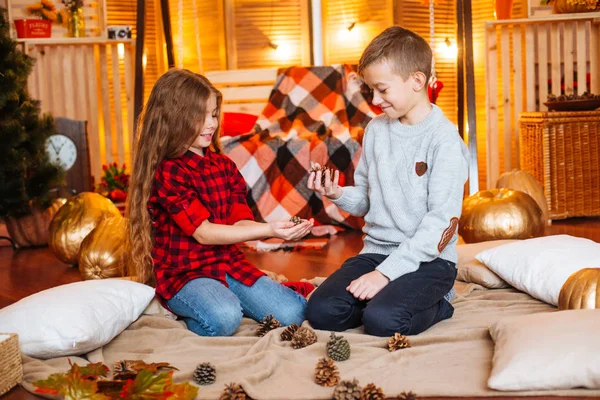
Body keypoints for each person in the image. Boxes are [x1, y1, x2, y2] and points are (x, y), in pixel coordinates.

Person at [305, 26, 469, 337]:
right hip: (377, 251)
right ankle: (391, 296)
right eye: (371, 91)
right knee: (321, 312)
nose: (375, 100)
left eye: (382, 89)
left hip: (430, 260)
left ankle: (441, 302)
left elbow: (440, 225)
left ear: (417, 81)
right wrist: (337, 193)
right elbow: (367, 199)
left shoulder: (444, 141)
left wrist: (385, 275)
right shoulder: (376, 131)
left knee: (383, 320)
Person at [127, 69, 313, 337]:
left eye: (213, 114)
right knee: (225, 319)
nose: (211, 123)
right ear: (173, 118)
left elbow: (240, 221)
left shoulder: (223, 165)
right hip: (186, 274)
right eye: (199, 116)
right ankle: (183, 306)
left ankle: (228, 298)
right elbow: (204, 233)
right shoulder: (168, 171)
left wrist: (275, 228)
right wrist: (269, 230)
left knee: (292, 313)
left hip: (228, 263)